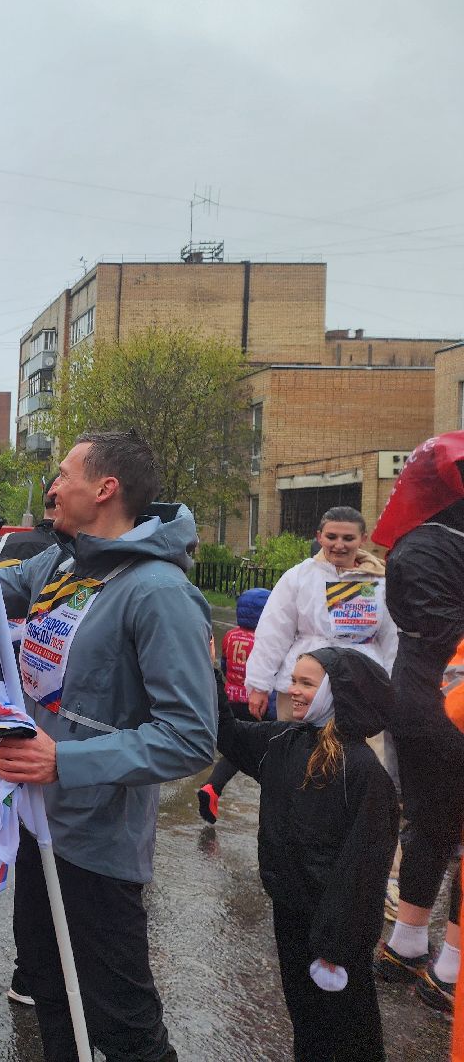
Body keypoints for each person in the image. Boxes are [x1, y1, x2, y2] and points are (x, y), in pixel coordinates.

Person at [0, 431, 215, 1062]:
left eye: (64, 474)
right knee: (51, 991)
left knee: (121, 1024)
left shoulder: (158, 592)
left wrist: (64, 761)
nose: (52, 486)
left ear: (104, 489)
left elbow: (190, 736)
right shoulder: (63, 564)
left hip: (98, 843)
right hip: (38, 825)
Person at [215, 647, 397, 1061]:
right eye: (292, 680)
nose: (292, 690)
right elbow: (226, 732)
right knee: (307, 1022)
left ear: (337, 693)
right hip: (290, 913)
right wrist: (205, 668)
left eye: (306, 683)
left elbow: (363, 872)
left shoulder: (363, 771)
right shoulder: (282, 742)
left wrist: (336, 949)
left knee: (349, 1031)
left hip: (334, 931)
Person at [370, 431, 464, 1013]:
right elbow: (442, 629)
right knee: (440, 824)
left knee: (429, 822)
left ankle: (408, 945)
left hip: (420, 698)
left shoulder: (421, 544)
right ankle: (447, 964)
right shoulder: (434, 545)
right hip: (445, 701)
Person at [243, 507, 397, 718]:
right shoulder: (299, 576)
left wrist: (393, 688)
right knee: (296, 748)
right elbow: (274, 632)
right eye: (331, 536)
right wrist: (259, 685)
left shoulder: (380, 582)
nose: (339, 545)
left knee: (361, 750)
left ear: (363, 539)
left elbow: (392, 639)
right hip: (302, 685)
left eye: (348, 538)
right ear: (319, 537)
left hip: (361, 686)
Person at [196, 587, 271, 824]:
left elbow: (226, 666)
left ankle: (213, 788)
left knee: (236, 747)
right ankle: (214, 787)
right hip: (254, 702)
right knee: (253, 752)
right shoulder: (263, 641)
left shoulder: (230, 636)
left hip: (231, 699)